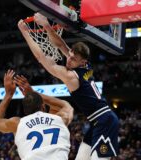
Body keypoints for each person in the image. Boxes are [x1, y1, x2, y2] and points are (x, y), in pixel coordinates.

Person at [18, 13, 119, 160]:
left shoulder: (71, 76)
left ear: (82, 61)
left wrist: (25, 32)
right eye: (70, 55)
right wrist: (46, 26)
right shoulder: (85, 66)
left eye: (74, 59)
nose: (69, 60)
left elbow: (41, 58)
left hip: (105, 121)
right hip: (98, 121)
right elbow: (60, 45)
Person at [0, 70, 74, 160]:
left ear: (25, 112)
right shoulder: (60, 118)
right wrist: (32, 91)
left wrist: (8, 95)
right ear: (43, 106)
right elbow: (66, 106)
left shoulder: (18, 123)